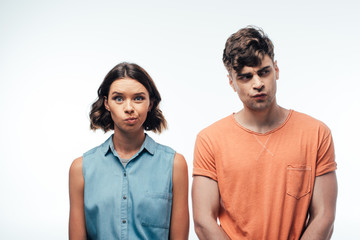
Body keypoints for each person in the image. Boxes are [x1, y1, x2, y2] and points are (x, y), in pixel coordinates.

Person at [192, 26, 337, 240]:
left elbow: (324, 216)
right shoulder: (210, 140)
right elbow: (203, 221)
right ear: (231, 82)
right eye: (245, 77)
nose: (258, 83)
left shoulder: (316, 133)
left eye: (264, 72)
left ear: (276, 70)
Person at [69, 62, 189, 240]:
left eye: (138, 98)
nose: (129, 108)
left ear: (151, 103)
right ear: (106, 103)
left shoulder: (174, 165)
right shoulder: (81, 168)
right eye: (118, 98)